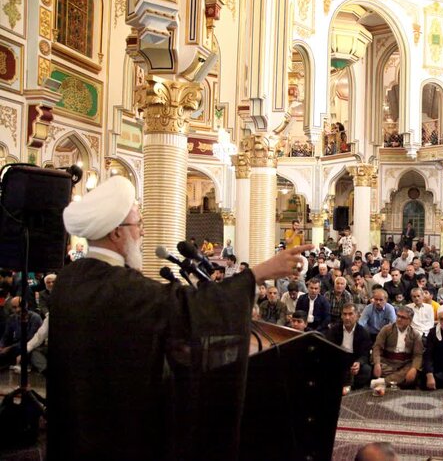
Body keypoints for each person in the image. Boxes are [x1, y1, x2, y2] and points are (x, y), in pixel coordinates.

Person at [51, 175, 311, 460]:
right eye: (138, 225)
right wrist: (259, 273)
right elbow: (188, 308)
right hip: (117, 430)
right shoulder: (120, 287)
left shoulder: (70, 278)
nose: (142, 233)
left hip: (78, 421)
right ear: (115, 233)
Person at [371, 305, 423, 388]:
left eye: (403, 317)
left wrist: (413, 369)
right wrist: (377, 364)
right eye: (398, 316)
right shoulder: (386, 329)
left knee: (412, 371)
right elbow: (377, 348)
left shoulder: (415, 335)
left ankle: (383, 382)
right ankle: (396, 382)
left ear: (410, 320)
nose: (399, 319)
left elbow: (418, 355)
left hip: (404, 364)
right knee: (378, 367)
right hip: (387, 363)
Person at [325, 303, 372, 393]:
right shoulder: (334, 330)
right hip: (339, 357)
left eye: (350, 314)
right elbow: (329, 348)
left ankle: (350, 386)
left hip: (354, 358)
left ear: (357, 316)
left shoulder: (363, 332)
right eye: (345, 314)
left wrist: (358, 363)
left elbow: (365, 354)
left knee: (366, 370)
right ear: (341, 316)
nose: (347, 317)